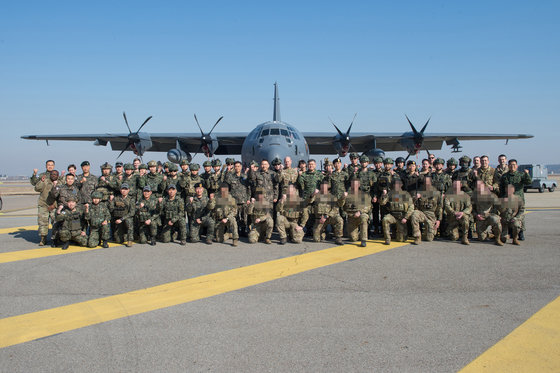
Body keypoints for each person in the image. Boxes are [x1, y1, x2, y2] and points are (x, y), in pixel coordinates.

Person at [499, 159, 531, 241]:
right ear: (508, 166)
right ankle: (510, 233)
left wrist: (527, 174)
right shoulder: (505, 176)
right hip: (508, 199)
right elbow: (502, 188)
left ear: (516, 166)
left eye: (514, 165)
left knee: (520, 217)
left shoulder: (521, 175)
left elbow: (528, 182)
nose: (512, 166)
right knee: (508, 215)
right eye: (510, 165)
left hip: (519, 199)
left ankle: (521, 233)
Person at [380, 179, 414, 245]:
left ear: (401, 185)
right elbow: (382, 203)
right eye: (395, 184)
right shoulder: (390, 193)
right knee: (385, 219)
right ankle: (387, 239)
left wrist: (406, 218)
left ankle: (402, 234)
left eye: (398, 184)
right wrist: (384, 195)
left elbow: (411, 207)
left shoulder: (406, 194)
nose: (396, 186)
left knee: (401, 239)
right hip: (393, 215)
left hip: (402, 217)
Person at [410, 176, 443, 245]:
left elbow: (440, 207)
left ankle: (427, 232)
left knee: (429, 238)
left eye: (428, 182)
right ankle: (417, 237)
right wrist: (415, 198)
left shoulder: (436, 193)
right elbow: (411, 204)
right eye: (425, 182)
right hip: (422, 213)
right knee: (414, 214)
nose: (426, 183)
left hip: (431, 215)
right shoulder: (419, 191)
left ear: (431, 182)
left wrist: (438, 220)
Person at [309, 180, 344, 245]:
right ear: (320, 187)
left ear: (328, 187)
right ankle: (324, 234)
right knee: (316, 239)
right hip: (319, 219)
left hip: (329, 217)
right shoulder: (316, 195)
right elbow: (309, 201)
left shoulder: (332, 196)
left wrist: (326, 216)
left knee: (339, 220)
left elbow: (335, 209)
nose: (323, 188)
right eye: (322, 187)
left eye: (325, 187)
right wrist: (313, 194)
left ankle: (338, 238)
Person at [471, 180, 502, 246]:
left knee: (496, 220)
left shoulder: (491, 195)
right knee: (482, 238)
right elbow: (472, 209)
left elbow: (499, 207)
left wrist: (497, 215)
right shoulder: (474, 197)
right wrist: (476, 215)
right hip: (480, 217)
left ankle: (498, 239)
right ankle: (488, 234)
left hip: (490, 216)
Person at [225, 161, 251, 237]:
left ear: (241, 167)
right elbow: (227, 188)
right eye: (236, 166)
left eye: (238, 166)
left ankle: (243, 231)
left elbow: (248, 189)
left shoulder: (245, 177)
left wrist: (248, 198)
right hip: (234, 201)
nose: (237, 168)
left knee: (244, 217)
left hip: (243, 200)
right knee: (235, 217)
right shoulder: (231, 177)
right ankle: (235, 232)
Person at [342, 179, 371, 247]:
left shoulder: (364, 195)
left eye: (355, 184)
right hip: (351, 217)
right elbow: (341, 205)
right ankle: (358, 233)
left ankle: (363, 240)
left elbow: (368, 206)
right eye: (352, 184)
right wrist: (342, 198)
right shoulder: (347, 195)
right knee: (353, 238)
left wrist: (360, 212)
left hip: (360, 214)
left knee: (364, 218)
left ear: (358, 185)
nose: (354, 186)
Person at [34, 169, 59, 246]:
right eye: (52, 174)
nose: (53, 175)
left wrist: (54, 205)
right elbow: (37, 188)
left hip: (54, 206)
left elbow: (61, 196)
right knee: (43, 222)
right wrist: (41, 181)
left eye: (55, 174)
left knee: (55, 222)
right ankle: (43, 238)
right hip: (43, 205)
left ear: (58, 176)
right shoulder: (45, 181)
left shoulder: (60, 183)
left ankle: (55, 238)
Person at [444, 180, 472, 245]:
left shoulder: (465, 196)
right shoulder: (448, 195)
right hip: (452, 217)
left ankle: (465, 237)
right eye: (454, 185)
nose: (456, 186)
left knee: (465, 217)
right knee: (454, 238)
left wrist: (462, 213)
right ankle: (457, 230)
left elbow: (469, 207)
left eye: (457, 185)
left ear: (461, 185)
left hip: (462, 216)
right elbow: (447, 206)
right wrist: (454, 213)